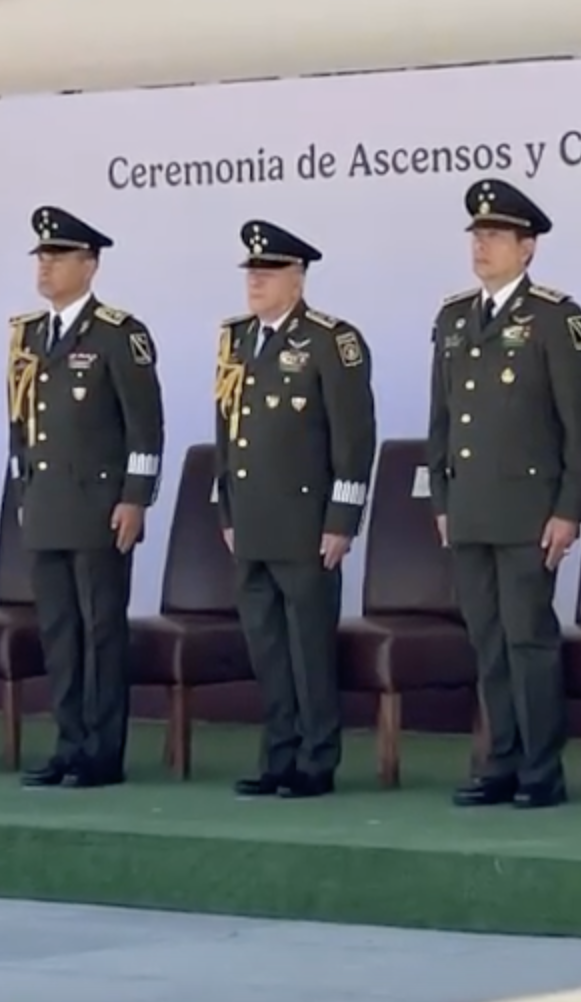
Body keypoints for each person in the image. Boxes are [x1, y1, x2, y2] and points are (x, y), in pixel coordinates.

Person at [428, 179, 581, 809]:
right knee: (488, 640)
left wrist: (568, 509)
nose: (482, 246)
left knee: (528, 640)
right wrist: (442, 500)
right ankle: (499, 761)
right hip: (470, 507)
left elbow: (579, 426)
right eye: (477, 235)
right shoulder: (454, 318)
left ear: (527, 248)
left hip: (529, 511)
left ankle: (539, 769)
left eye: (496, 235)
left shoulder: (555, 318)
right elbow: (442, 419)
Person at [214, 220, 377, 799]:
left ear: (298, 278)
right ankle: (278, 755)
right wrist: (226, 512)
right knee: (268, 649)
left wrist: (342, 522)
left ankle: (316, 758)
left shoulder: (331, 341)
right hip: (252, 523)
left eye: (269, 271)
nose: (255, 281)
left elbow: (353, 441)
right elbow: (227, 433)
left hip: (306, 525)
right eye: (251, 271)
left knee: (309, 650)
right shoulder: (236, 339)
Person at [9, 206, 164, 790]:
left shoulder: (118, 334)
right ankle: (68, 743)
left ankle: (102, 751)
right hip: (46, 506)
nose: (45, 266)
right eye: (41, 257)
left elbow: (145, 428)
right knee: (59, 633)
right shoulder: (28, 336)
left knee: (100, 632)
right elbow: (22, 426)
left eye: (58, 256)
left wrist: (135, 497)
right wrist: (23, 493)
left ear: (89, 264)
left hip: (99, 508)